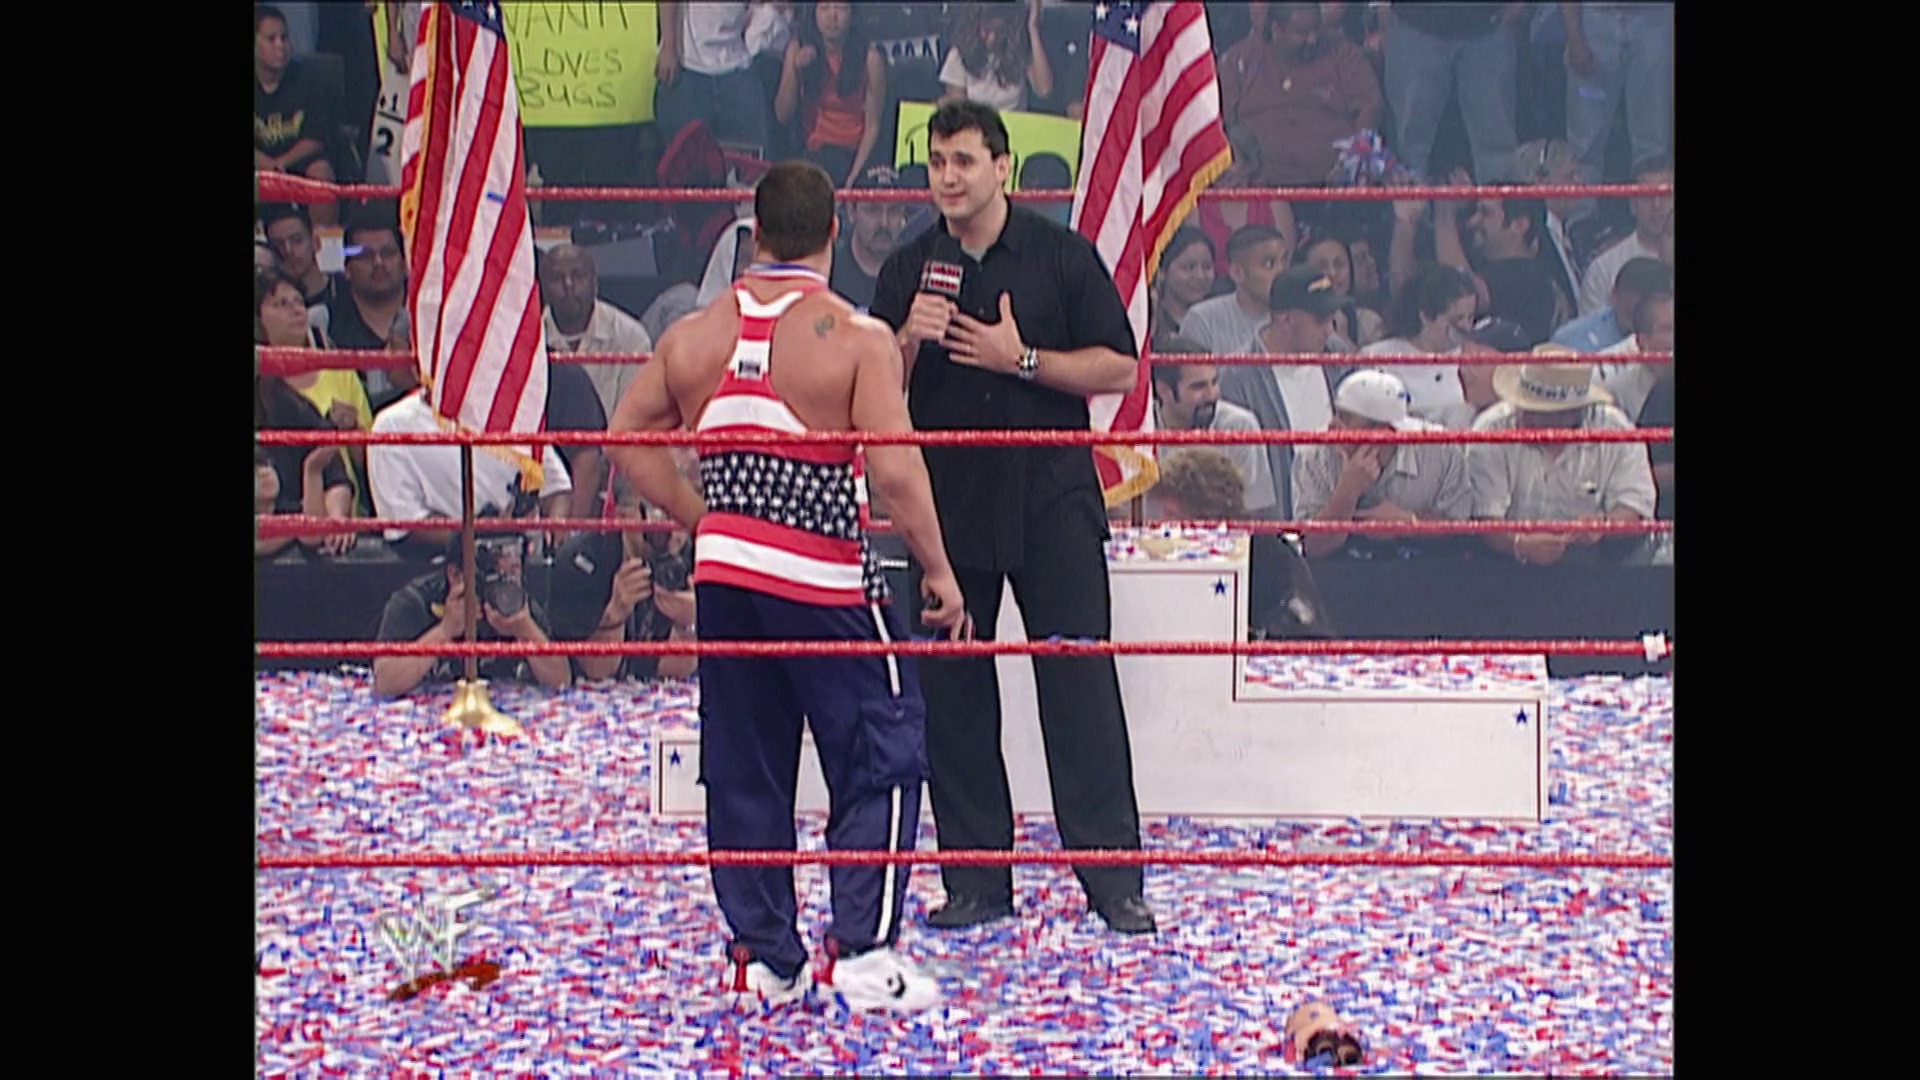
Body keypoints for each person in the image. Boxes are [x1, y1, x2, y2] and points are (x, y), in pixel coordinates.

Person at [604, 161, 969, 1011]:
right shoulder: (857, 337)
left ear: (755, 234)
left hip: (728, 580)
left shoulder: (692, 337)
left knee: (745, 763)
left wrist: (705, 518)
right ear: (834, 231)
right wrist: (940, 570)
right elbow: (896, 471)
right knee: (880, 745)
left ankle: (764, 958)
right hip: (822, 577)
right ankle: (863, 954)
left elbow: (626, 435)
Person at [867, 100, 1156, 935]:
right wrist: (907, 340)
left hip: (1051, 499)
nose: (948, 178)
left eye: (963, 161)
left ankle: (1112, 881)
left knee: (1079, 686)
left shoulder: (1061, 256)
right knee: (954, 695)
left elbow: (1119, 366)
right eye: (936, 163)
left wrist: (1020, 359)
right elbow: (868, 388)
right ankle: (976, 882)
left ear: (1002, 167)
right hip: (949, 507)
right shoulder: (909, 268)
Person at [371, 526, 572, 698]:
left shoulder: (517, 602)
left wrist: (525, 630)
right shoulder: (416, 602)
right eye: (496, 560)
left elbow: (560, 681)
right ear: (455, 574)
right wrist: (444, 631)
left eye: (515, 558)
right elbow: (385, 682)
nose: (510, 569)